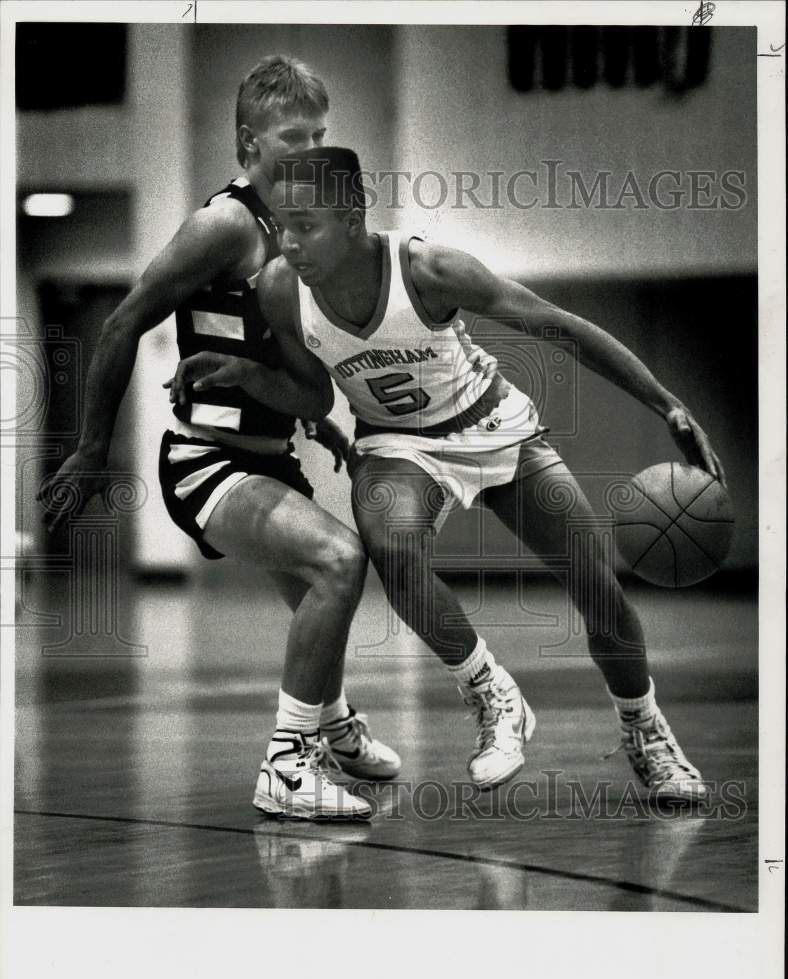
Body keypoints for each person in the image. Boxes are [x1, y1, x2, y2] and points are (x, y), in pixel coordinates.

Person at [169, 146, 727, 802]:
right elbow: (316, 397)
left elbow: (558, 326)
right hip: (400, 445)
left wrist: (665, 402)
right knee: (389, 545)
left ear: (353, 219)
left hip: (498, 429)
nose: (289, 242)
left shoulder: (430, 270)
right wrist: (251, 376)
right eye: (281, 225)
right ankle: (493, 696)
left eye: (307, 224)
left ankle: (646, 729)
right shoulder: (279, 289)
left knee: (597, 590)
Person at [37, 63, 402, 822]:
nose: (309, 148)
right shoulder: (225, 224)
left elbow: (276, 352)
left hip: (270, 458)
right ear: (248, 141)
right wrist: (91, 446)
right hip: (207, 461)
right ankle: (286, 765)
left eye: (320, 136)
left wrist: (317, 417)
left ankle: (330, 722)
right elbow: (121, 320)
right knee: (340, 561)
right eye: (292, 137)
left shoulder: (293, 227)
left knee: (318, 598)